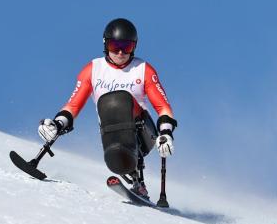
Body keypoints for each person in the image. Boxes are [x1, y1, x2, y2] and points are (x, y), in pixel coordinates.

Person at [37, 18, 177, 199]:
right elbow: (73, 105)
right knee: (110, 104)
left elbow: (163, 107)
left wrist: (166, 133)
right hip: (111, 132)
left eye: (126, 47)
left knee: (119, 100)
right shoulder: (93, 69)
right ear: (106, 45)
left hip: (143, 132)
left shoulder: (143, 69)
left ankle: (137, 180)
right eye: (114, 45)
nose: (120, 52)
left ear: (134, 47)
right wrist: (57, 124)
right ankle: (130, 173)